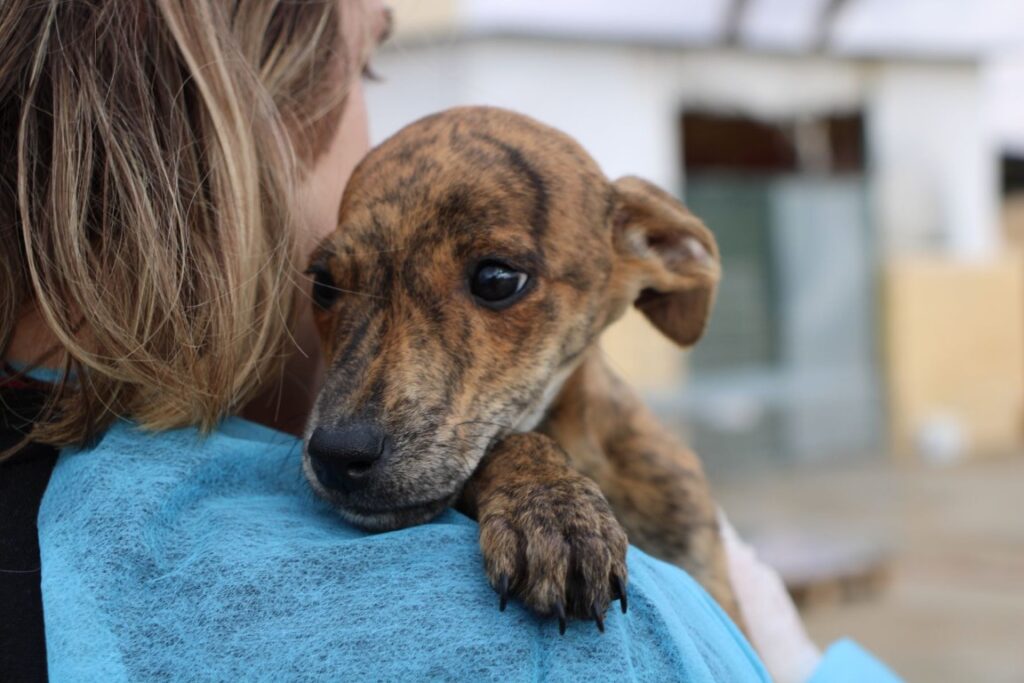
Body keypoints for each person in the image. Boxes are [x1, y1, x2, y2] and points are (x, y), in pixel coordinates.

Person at [0, 1, 899, 681]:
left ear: (654, 260)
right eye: (332, 287)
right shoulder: (623, 643)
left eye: (494, 281)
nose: (345, 425)